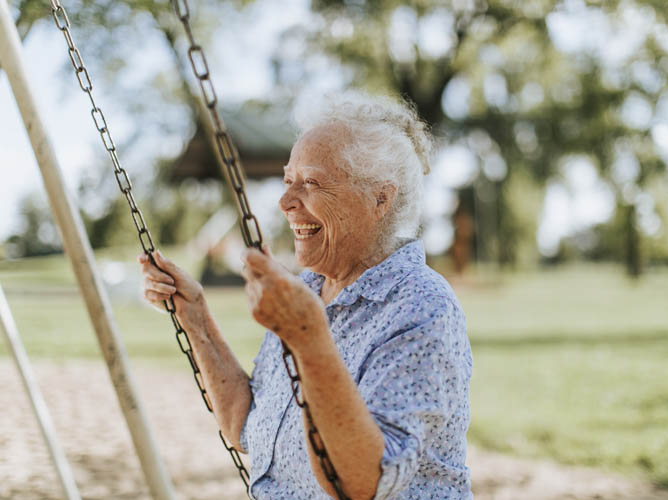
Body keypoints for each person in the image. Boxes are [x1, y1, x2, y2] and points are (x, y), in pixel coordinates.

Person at [139, 91, 473, 499]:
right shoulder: (310, 288)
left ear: (380, 199)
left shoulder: (421, 306)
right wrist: (197, 319)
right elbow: (249, 428)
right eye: (287, 181)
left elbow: (363, 483)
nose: (284, 202)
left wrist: (307, 337)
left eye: (311, 183)